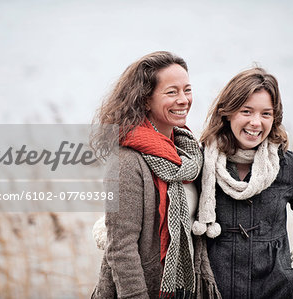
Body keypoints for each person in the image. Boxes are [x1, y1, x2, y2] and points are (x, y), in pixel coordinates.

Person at [192, 67, 293, 299]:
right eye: (246, 111)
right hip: (212, 293)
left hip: (274, 292)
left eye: (266, 114)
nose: (256, 123)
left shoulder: (289, 165)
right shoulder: (201, 161)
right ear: (227, 113)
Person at [91, 51, 220, 298]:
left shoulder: (189, 152)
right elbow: (121, 249)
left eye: (187, 90)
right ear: (146, 99)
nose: (183, 100)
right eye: (172, 92)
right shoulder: (127, 161)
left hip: (187, 289)